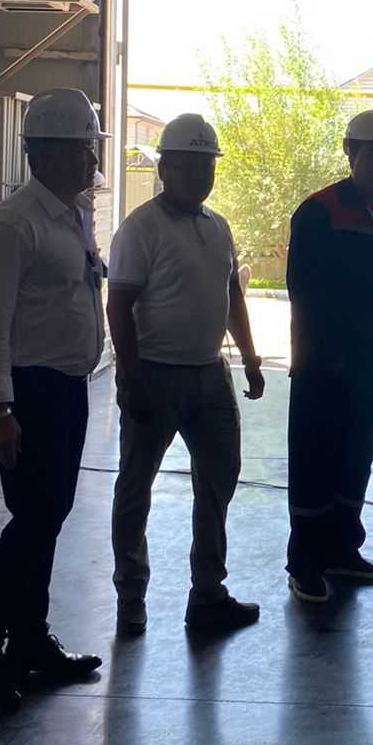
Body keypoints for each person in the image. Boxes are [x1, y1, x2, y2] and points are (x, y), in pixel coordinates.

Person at [0, 88, 107, 711]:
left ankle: (30, 640)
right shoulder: (12, 224)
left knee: (50, 517)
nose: (91, 160)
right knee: (34, 521)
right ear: (43, 153)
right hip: (29, 394)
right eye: (81, 150)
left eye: (91, 149)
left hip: (67, 389)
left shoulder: (73, 215)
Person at [107, 113, 265, 637]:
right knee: (136, 488)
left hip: (210, 376)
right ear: (164, 168)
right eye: (189, 165)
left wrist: (250, 357)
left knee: (218, 483)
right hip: (155, 375)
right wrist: (131, 377)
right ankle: (131, 596)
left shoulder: (217, 227)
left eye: (208, 165)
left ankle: (208, 594)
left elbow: (232, 296)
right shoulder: (140, 229)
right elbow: (119, 305)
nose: (201, 174)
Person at [285, 110, 373, 604]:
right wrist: (320, 352)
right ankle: (305, 561)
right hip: (323, 364)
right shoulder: (319, 211)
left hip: (371, 364)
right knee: (314, 458)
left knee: (357, 455)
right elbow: (304, 291)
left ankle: (342, 550)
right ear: (350, 153)